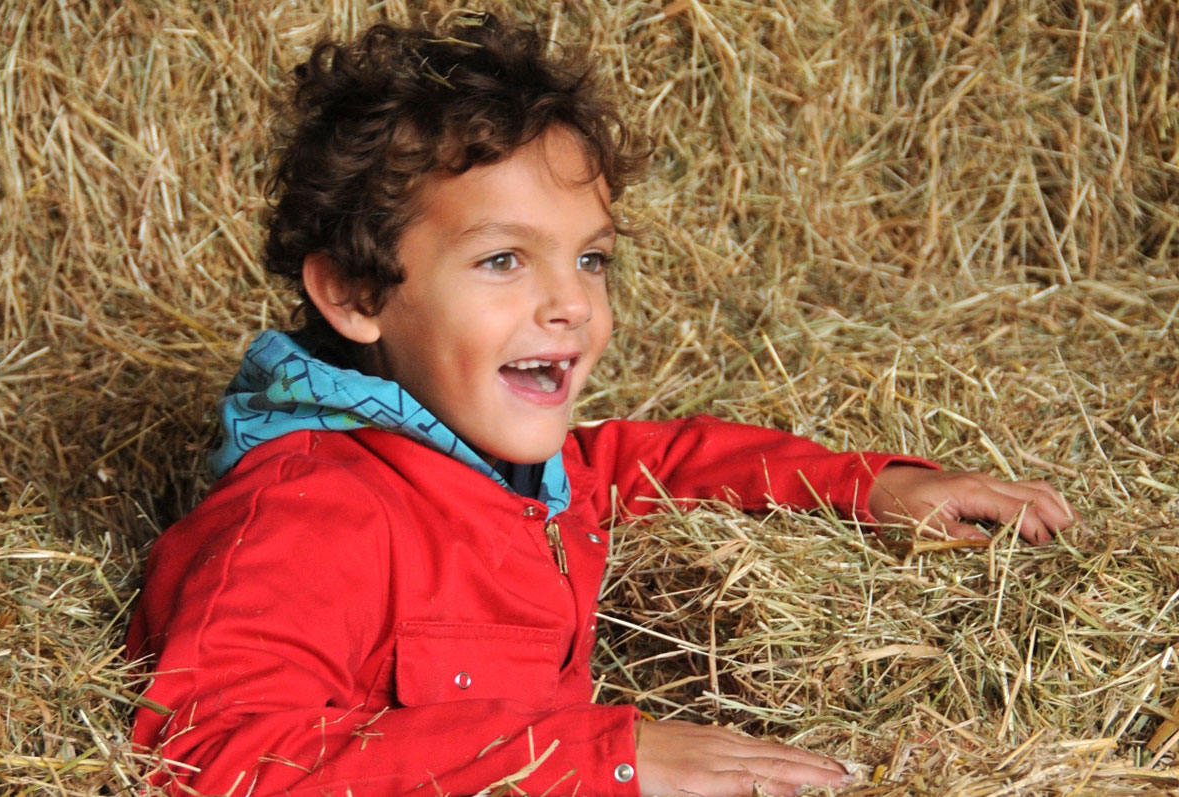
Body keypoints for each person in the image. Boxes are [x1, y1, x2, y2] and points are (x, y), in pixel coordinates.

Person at [127, 12, 1076, 797]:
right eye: (503, 259)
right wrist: (600, 755)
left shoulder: (489, 457)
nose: (572, 303)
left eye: (591, 258)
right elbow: (215, 756)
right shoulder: (311, 514)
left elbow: (643, 462)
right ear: (357, 295)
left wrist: (875, 485)